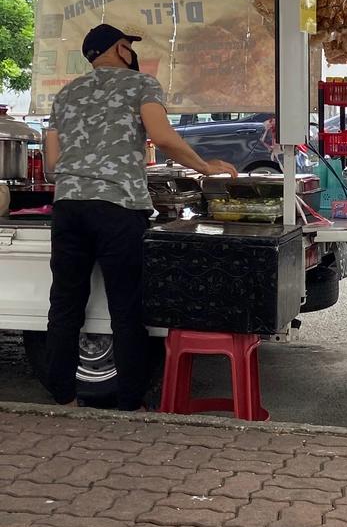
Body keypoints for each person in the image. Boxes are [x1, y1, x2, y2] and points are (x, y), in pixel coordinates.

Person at [44, 23, 238, 411]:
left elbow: (51, 165)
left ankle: (63, 400)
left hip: (68, 207)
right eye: (128, 46)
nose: (132, 52)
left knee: (64, 305)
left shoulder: (66, 94)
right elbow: (162, 137)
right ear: (120, 49)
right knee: (126, 308)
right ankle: (130, 402)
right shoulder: (141, 85)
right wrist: (205, 167)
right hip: (118, 208)